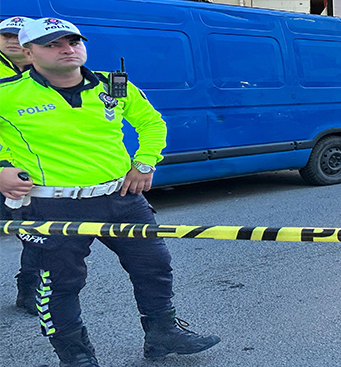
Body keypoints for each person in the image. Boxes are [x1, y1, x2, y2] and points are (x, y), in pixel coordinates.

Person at [0, 18, 220, 366]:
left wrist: (145, 163)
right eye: (53, 44)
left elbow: (151, 123)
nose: (67, 49)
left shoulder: (114, 84)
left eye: (73, 42)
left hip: (121, 198)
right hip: (51, 205)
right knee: (59, 285)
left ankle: (163, 334)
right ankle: (75, 356)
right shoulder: (6, 93)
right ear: (28, 52)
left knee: (154, 265)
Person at [0, 16, 37, 313]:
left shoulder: (46, 70)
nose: (13, 40)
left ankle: (29, 290)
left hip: (31, 171)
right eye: (6, 35)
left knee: (36, 234)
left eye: (20, 35)